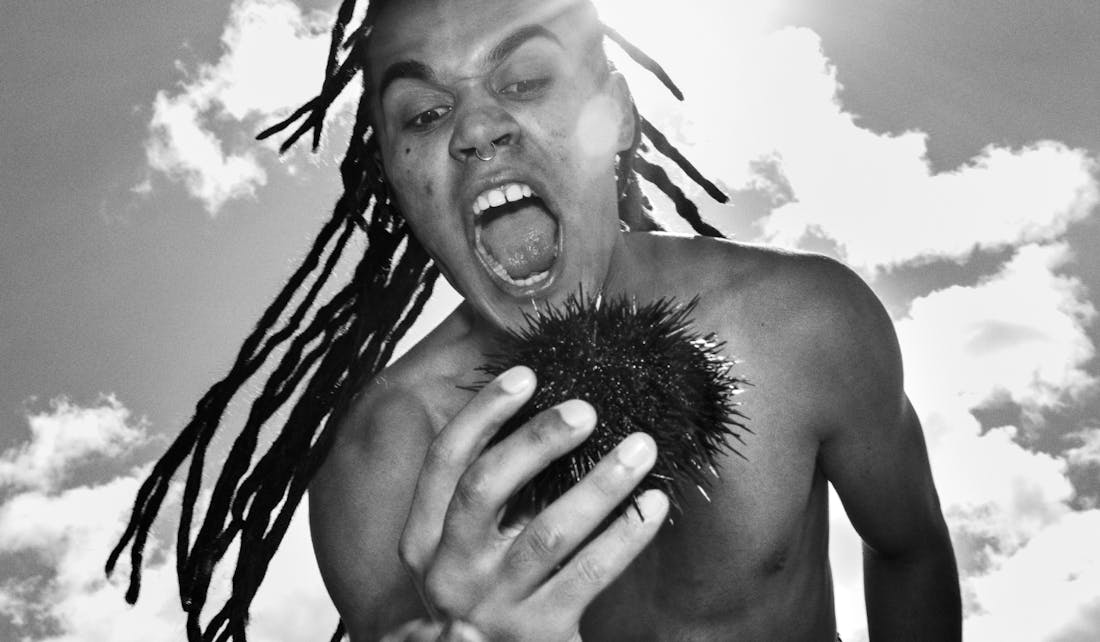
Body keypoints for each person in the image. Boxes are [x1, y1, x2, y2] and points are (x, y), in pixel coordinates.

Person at [110, 0, 961, 640]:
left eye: (523, 81)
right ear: (395, 179)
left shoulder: (806, 324)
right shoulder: (381, 472)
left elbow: (910, 549)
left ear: (617, 115)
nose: (478, 127)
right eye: (425, 113)